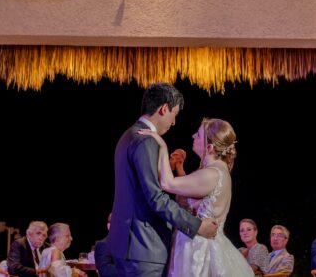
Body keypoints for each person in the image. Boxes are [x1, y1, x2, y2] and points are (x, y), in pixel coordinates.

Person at [106, 83, 218, 277]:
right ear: (164, 108)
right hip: (144, 247)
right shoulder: (146, 140)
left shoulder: (128, 136)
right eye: (174, 115)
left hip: (124, 245)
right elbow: (155, 198)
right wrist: (197, 225)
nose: (173, 122)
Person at [139, 117, 253, 277]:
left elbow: (167, 184)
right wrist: (179, 168)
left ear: (210, 147)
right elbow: (190, 199)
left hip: (198, 250)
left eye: (198, 135)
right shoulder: (218, 170)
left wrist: (162, 146)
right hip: (204, 244)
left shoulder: (212, 174)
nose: (193, 136)